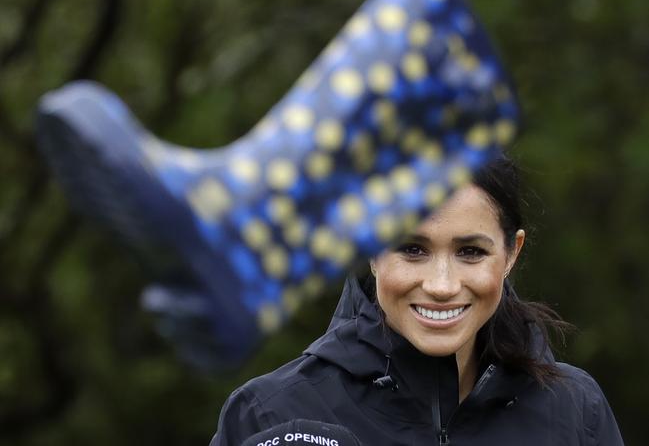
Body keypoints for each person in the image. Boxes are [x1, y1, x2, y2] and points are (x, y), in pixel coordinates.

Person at [210, 156, 624, 445]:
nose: (441, 285)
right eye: (412, 249)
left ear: (511, 253)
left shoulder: (574, 410)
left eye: (471, 252)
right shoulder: (270, 414)